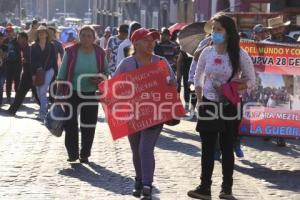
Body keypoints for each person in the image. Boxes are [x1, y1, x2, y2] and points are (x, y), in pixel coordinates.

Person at [187, 14, 255, 200]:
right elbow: (197, 77)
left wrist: (232, 87)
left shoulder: (240, 55)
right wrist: (200, 101)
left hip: (229, 105)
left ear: (228, 32)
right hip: (208, 103)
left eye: (219, 30)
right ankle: (204, 187)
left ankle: (227, 188)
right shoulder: (207, 52)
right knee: (207, 147)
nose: (215, 33)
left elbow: (252, 81)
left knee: (227, 147)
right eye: (213, 29)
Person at [113, 28, 176, 200]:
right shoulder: (127, 63)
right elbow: (114, 87)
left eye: (153, 41)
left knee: (145, 149)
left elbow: (174, 83)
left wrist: (169, 82)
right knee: (136, 150)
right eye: (147, 40)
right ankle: (139, 180)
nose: (151, 44)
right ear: (136, 43)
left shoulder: (161, 61)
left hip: (154, 112)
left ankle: (147, 184)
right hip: (132, 113)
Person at [56, 25, 109, 163]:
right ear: (79, 37)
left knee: (88, 124)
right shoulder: (71, 51)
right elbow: (62, 73)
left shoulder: (99, 53)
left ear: (94, 38)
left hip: (91, 93)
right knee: (70, 123)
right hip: (71, 91)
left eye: (89, 36)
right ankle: (72, 153)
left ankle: (84, 154)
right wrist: (58, 94)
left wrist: (100, 78)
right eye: (83, 35)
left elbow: (106, 72)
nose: (86, 38)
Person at [264, 15, 296, 147]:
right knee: (270, 107)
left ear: (283, 28)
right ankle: (267, 129)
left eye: (279, 28)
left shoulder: (292, 42)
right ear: (270, 31)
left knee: (284, 108)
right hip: (270, 80)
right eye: (275, 29)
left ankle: (280, 135)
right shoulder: (264, 44)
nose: (277, 30)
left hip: (287, 80)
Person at [6, 32, 39, 115]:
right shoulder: (22, 48)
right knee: (20, 93)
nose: (17, 40)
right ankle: (12, 110)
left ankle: (47, 110)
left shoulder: (29, 48)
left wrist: (26, 61)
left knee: (37, 95)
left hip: (31, 75)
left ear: (24, 39)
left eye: (19, 38)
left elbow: (34, 61)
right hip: (26, 74)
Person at [31, 25, 57, 120]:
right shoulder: (33, 46)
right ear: (37, 34)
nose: (41, 34)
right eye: (39, 32)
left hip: (49, 70)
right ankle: (44, 108)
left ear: (47, 34)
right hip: (38, 72)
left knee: (42, 90)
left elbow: (54, 61)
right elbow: (32, 61)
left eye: (43, 32)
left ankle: (42, 112)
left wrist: (56, 74)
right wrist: (33, 74)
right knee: (38, 91)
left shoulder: (51, 46)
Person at [4, 26, 22, 104]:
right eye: (7, 32)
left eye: (10, 31)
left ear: (13, 32)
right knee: (8, 81)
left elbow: (22, 49)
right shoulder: (4, 41)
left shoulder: (17, 41)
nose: (9, 33)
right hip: (8, 64)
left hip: (17, 64)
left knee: (17, 81)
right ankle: (8, 97)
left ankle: (17, 98)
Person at [0, 32, 8, 107]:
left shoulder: (5, 47)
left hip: (2, 70)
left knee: (1, 86)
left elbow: (5, 56)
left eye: (1, 38)